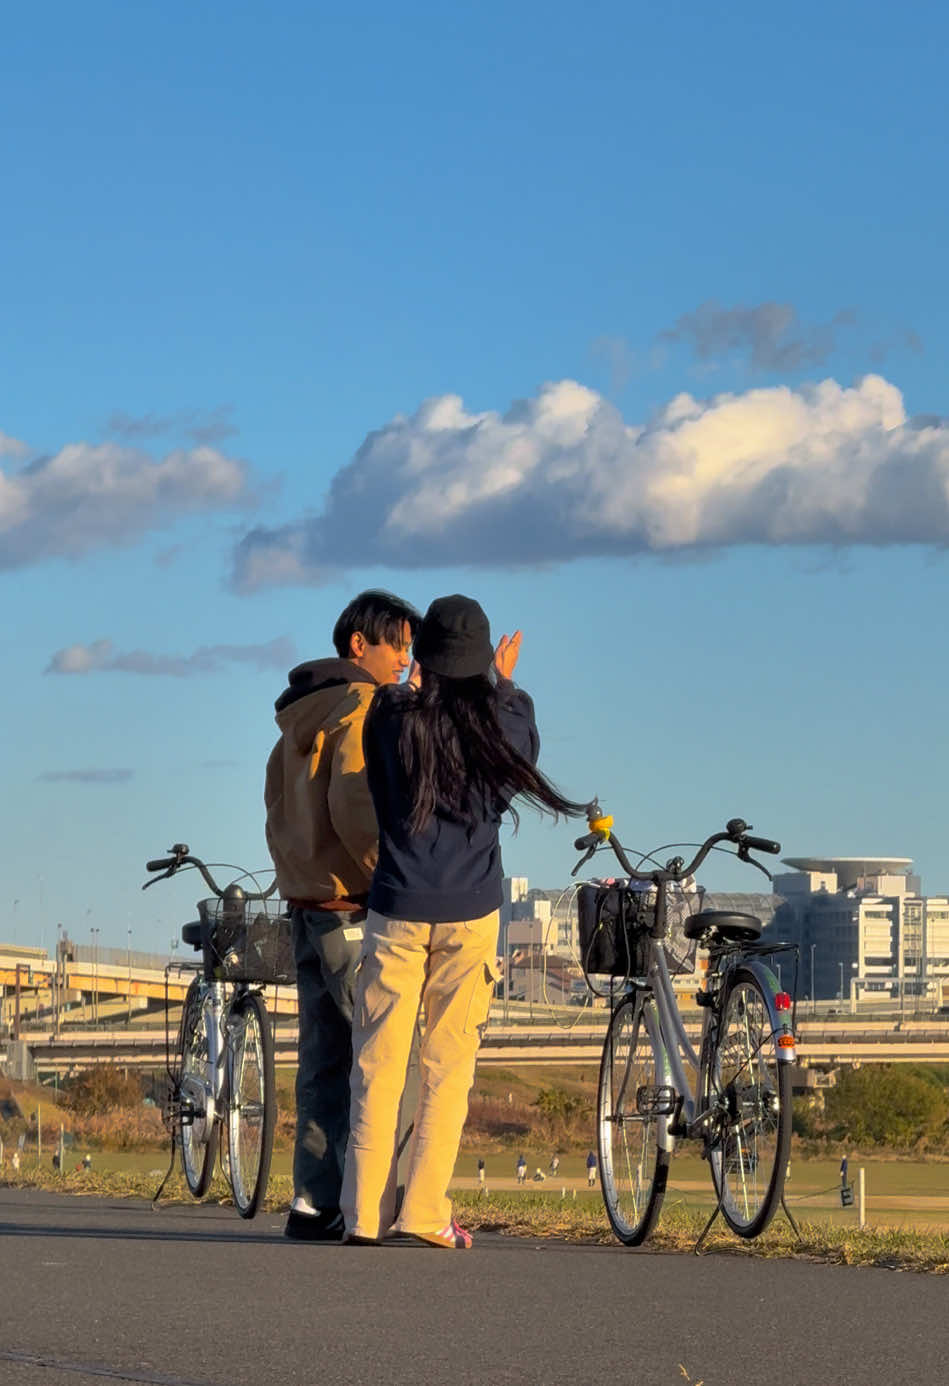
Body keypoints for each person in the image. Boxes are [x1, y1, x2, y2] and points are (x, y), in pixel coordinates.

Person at [341, 594, 584, 1249]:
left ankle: (362, 1214)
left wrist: (417, 686)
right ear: (481, 663)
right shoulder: (503, 723)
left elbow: (395, 709)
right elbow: (518, 721)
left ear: (421, 657)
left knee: (378, 1063)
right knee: (447, 1069)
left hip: (395, 907)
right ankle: (422, 1213)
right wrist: (502, 680)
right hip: (471, 910)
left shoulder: (389, 719)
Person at [265, 589, 420, 1241]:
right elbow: (356, 806)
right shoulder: (358, 705)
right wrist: (396, 874)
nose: (406, 663)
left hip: (304, 904)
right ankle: (392, 1204)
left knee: (322, 1061)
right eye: (398, 647)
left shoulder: (299, 713)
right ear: (360, 644)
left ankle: (313, 1201)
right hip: (351, 906)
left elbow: (277, 811)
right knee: (389, 1053)